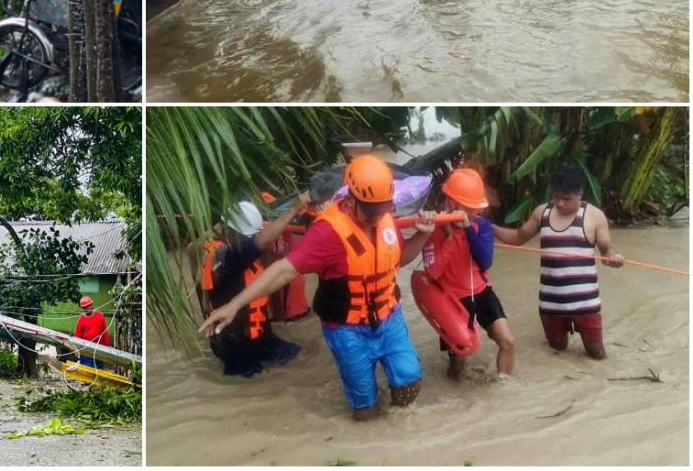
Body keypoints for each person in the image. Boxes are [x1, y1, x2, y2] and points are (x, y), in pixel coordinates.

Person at [201, 155, 435, 420]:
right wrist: (234, 305)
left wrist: (423, 234)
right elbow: (284, 269)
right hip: (348, 330)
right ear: (351, 199)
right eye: (371, 210)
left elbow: (396, 262)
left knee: (409, 384)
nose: (377, 216)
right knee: (366, 411)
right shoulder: (326, 233)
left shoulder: (384, 218)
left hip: (389, 319)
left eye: (383, 208)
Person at [492, 163, 623, 360]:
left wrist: (612, 257)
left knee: (596, 354)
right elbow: (518, 237)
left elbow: (606, 250)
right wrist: (489, 227)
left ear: (580, 195)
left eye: (567, 199)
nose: (560, 203)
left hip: (585, 303)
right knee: (557, 351)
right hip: (550, 303)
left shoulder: (594, 216)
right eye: (555, 196)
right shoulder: (541, 213)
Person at [196, 195, 311, 377]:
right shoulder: (225, 256)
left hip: (260, 336)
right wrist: (294, 209)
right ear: (230, 232)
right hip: (235, 344)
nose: (250, 241)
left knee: (302, 356)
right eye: (247, 237)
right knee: (256, 383)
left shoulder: (227, 249)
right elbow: (261, 242)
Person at [422, 168, 515, 379]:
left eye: (477, 207)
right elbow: (433, 273)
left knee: (508, 341)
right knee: (458, 364)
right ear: (452, 203)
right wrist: (448, 238)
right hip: (451, 300)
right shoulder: (433, 229)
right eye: (470, 207)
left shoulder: (481, 226)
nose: (475, 212)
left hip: (481, 293)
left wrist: (466, 229)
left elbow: (485, 260)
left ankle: (505, 392)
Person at [73, 296, 111, 369]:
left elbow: (105, 333)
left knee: (98, 369)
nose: (87, 308)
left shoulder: (100, 316)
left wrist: (107, 347)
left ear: (92, 305)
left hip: (99, 348)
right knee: (87, 369)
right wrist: (76, 349)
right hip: (86, 349)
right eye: (84, 307)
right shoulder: (81, 319)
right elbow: (77, 336)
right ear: (82, 308)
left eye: (88, 306)